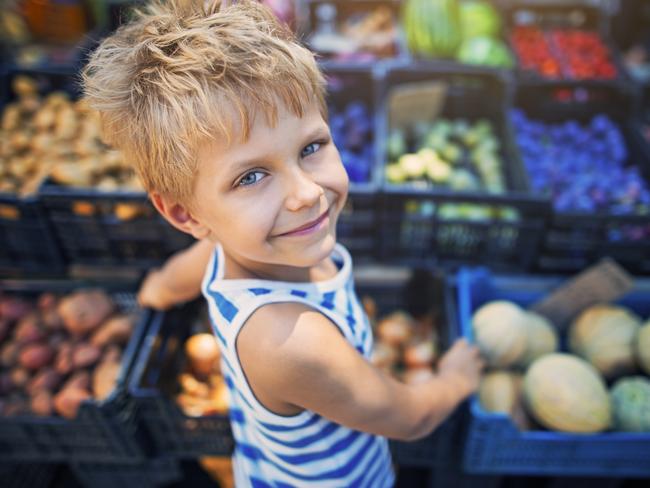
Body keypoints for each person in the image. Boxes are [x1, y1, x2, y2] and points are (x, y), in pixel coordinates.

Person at [82, 1, 484, 485]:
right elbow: (411, 418)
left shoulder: (225, 245)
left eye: (311, 147)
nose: (307, 193)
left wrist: (155, 291)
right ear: (186, 213)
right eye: (252, 176)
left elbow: (173, 281)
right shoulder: (291, 341)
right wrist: (455, 380)